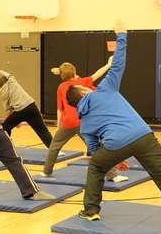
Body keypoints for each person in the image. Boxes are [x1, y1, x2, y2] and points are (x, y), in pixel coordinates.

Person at [65, 21, 161, 230]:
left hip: (116, 145)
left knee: (96, 166)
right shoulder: (105, 89)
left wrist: (113, 157)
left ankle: (90, 211)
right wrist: (122, 35)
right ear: (83, 92)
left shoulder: (85, 122)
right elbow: (118, 63)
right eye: (85, 87)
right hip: (144, 136)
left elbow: (94, 150)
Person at [41, 51, 128, 183]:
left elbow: (60, 109)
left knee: (54, 147)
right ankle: (113, 175)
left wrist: (58, 126)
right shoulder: (80, 82)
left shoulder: (61, 87)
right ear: (74, 73)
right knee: (96, 149)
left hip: (67, 123)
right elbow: (96, 75)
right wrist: (109, 64)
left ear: (62, 75)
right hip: (83, 122)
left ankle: (46, 172)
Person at [0, 64, 52, 148]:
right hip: (31, 106)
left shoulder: (3, 95)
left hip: (20, 111)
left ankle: (6, 147)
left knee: (5, 127)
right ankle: (55, 150)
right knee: (42, 130)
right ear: (7, 80)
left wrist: (15, 121)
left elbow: (9, 110)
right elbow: (7, 74)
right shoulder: (12, 82)